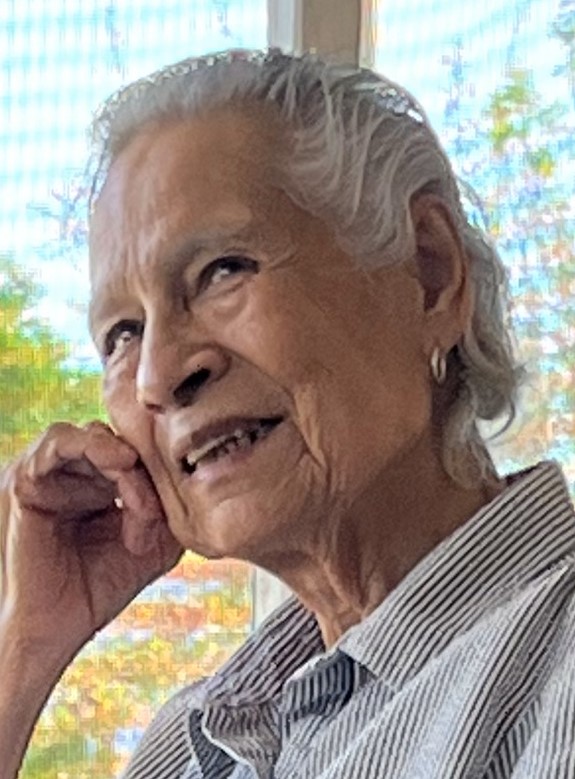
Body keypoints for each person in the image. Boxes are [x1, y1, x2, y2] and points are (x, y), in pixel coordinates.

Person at [1, 49, 574, 779]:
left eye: (222, 271)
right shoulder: (191, 744)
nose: (159, 375)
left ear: (429, 274)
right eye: (123, 334)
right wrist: (25, 646)